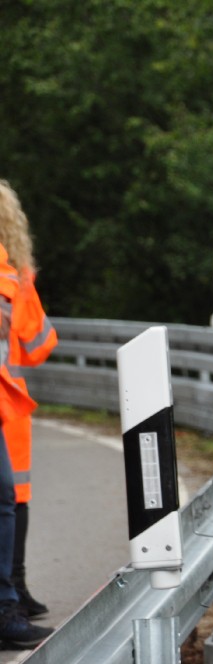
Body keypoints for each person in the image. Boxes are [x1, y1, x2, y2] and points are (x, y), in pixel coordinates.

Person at [0, 180, 55, 649]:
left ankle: (14, 593)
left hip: (9, 401)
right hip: (10, 403)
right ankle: (11, 595)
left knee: (9, 499)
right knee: (11, 499)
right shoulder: (13, 278)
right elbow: (38, 344)